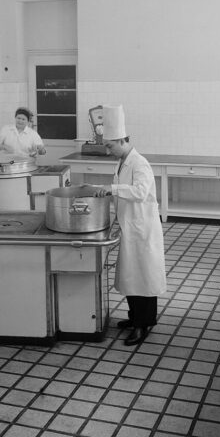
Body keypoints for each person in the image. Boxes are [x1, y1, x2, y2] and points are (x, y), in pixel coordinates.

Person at [91, 105, 167, 346]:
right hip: (131, 226)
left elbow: (141, 192)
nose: (108, 150)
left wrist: (112, 190)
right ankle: (135, 318)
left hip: (142, 229)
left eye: (110, 145)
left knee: (142, 277)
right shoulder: (123, 161)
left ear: (123, 140)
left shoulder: (139, 163)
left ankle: (143, 325)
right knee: (132, 276)